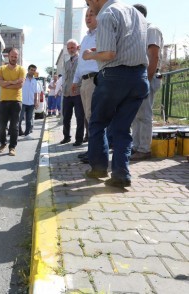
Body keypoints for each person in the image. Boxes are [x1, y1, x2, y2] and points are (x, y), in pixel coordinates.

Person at [83, 0, 149, 188]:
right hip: (138, 78)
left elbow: (109, 54)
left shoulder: (106, 14)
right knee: (122, 128)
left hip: (113, 77)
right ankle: (121, 173)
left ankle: (98, 168)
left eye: (89, 3)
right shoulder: (136, 14)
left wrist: (90, 55)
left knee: (97, 123)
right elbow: (124, 46)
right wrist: (102, 52)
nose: (91, 8)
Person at [131, 4, 163, 161]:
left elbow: (154, 57)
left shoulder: (151, 30)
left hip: (147, 77)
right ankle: (136, 146)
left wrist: (146, 80)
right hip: (139, 78)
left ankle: (144, 149)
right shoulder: (139, 32)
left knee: (144, 114)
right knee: (136, 115)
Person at [71, 8, 99, 163]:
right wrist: (76, 80)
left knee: (95, 118)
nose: (88, 17)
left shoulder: (102, 34)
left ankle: (95, 153)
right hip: (85, 81)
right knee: (89, 118)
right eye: (86, 15)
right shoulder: (85, 38)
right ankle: (92, 150)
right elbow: (81, 63)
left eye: (91, 14)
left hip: (95, 80)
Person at [0, 48, 26, 156]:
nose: (13, 58)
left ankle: (12, 147)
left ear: (18, 57)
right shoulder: (1, 68)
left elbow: (20, 85)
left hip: (16, 101)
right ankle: (3, 143)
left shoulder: (21, 69)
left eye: (15, 56)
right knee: (2, 126)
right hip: (3, 101)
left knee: (14, 126)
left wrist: (6, 84)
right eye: (12, 56)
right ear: (8, 56)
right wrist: (13, 82)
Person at [60, 39, 85, 146]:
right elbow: (65, 78)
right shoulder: (66, 63)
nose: (71, 50)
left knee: (80, 117)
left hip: (78, 92)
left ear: (77, 47)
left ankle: (79, 139)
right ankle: (66, 137)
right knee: (66, 117)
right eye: (69, 48)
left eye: (72, 47)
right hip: (67, 93)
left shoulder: (82, 60)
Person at [19, 64, 39, 140]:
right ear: (28, 70)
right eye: (31, 70)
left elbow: (35, 92)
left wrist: (36, 102)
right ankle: (16, 133)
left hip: (31, 103)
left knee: (29, 119)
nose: (33, 71)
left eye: (34, 70)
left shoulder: (35, 81)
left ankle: (27, 134)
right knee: (19, 119)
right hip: (22, 102)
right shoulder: (23, 79)